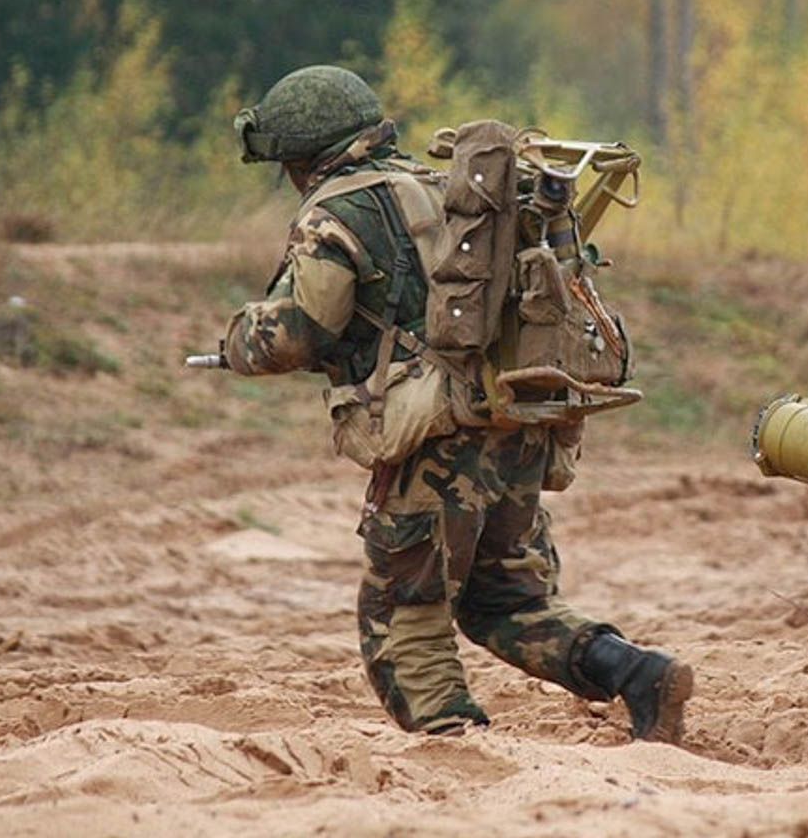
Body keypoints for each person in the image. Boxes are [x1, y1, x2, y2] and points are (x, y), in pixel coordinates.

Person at [217, 64, 691, 741]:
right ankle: (639, 674)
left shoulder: (335, 212)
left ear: (299, 160)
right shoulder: (450, 189)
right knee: (507, 600)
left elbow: (299, 332)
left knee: (402, 615)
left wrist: (238, 340)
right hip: (515, 419)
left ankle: (456, 747)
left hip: (436, 440)